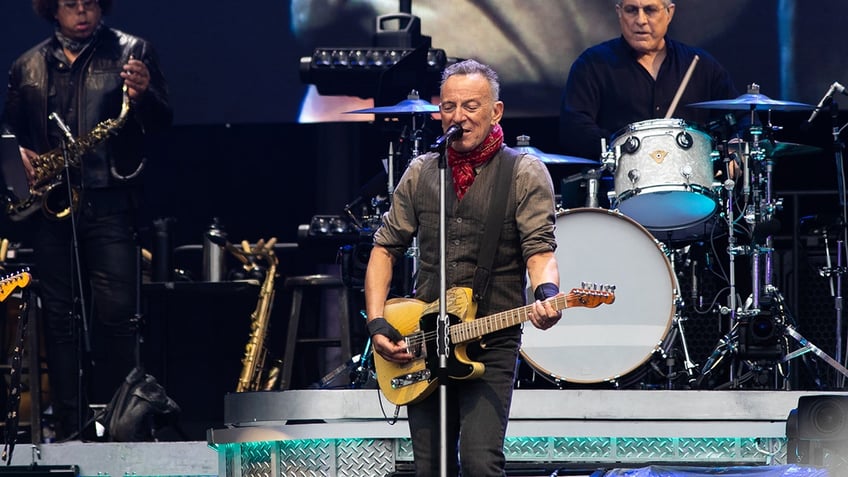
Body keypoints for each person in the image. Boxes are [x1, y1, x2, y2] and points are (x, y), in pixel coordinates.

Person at [364, 59, 563, 476]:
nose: (458, 117)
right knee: (430, 465)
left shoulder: (524, 173)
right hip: (424, 338)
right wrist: (378, 322)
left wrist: (546, 293)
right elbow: (385, 248)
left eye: (471, 106)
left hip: (491, 339)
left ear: (496, 111)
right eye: (450, 106)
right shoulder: (423, 171)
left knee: (479, 461)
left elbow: (540, 251)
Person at [1, 0, 172, 440]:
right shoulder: (27, 66)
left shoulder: (132, 50)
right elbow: (9, 133)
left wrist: (145, 93)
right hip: (51, 209)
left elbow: (162, 121)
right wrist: (17, 155)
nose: (83, 12)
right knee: (60, 323)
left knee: (118, 319)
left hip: (110, 203)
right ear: (51, 10)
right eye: (71, 5)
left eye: (90, 4)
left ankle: (124, 428)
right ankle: (71, 430)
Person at [559, 0, 740, 161]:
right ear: (619, 12)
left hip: (691, 186)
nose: (641, 20)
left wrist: (734, 149)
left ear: (669, 13)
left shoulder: (701, 66)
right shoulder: (593, 64)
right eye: (631, 10)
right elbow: (574, 129)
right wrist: (629, 146)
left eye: (650, 10)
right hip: (618, 187)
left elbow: (741, 117)